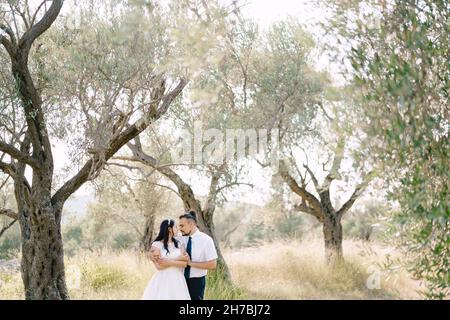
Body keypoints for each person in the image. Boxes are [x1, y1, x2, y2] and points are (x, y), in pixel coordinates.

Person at [141, 219, 191, 300]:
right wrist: (178, 259)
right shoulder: (156, 244)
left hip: (177, 279)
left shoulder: (179, 244)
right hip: (162, 279)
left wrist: (167, 261)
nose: (177, 229)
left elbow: (184, 264)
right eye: (175, 227)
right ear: (169, 229)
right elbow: (159, 267)